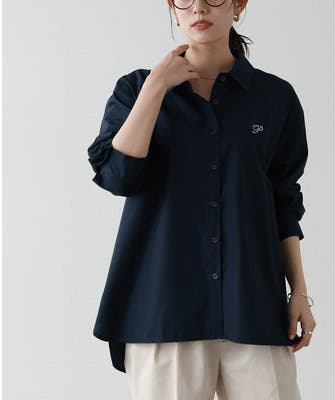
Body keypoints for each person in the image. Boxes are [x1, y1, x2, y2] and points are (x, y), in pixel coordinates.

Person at [87, 0, 317, 398]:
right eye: (185, 0)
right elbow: (118, 176)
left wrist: (298, 290)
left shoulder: (274, 97)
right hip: (163, 308)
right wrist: (156, 86)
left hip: (253, 304)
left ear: (239, 4)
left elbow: (284, 202)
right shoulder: (136, 88)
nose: (198, 8)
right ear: (172, 8)